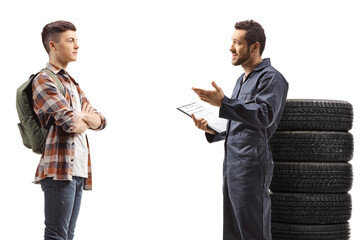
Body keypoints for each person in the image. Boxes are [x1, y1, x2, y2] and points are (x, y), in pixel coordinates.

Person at [192, 20, 288, 240]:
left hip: (252, 166)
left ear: (254, 47)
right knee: (233, 232)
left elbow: (264, 115)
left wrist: (224, 103)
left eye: (237, 43)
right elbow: (243, 123)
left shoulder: (272, 78)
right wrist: (212, 130)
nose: (231, 48)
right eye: (231, 42)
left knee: (252, 231)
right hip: (232, 165)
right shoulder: (241, 80)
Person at [32, 20, 107, 240]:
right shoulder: (44, 79)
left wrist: (84, 116)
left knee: (68, 235)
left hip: (77, 170)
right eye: (70, 40)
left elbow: (102, 121)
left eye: (77, 40)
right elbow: (70, 123)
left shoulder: (72, 83)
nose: (77, 45)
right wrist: (82, 116)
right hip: (59, 169)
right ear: (53, 45)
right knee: (57, 235)